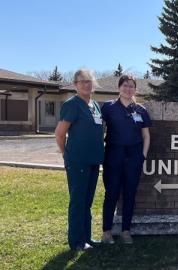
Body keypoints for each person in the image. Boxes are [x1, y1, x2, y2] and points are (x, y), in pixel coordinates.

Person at [55, 69, 104, 251]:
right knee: (78, 201)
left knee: (87, 201)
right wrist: (66, 155)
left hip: (93, 160)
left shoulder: (95, 105)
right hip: (78, 161)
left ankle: (87, 238)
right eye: (82, 81)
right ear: (76, 85)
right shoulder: (72, 104)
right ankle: (76, 241)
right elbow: (60, 134)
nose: (86, 84)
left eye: (89, 81)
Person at [101, 75, 151, 244]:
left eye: (131, 86)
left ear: (135, 89)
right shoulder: (108, 108)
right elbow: (99, 131)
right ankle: (106, 232)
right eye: (125, 85)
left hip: (134, 158)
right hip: (113, 157)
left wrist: (142, 156)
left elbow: (146, 136)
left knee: (130, 194)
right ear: (119, 87)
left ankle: (126, 231)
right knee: (111, 194)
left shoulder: (141, 110)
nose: (128, 89)